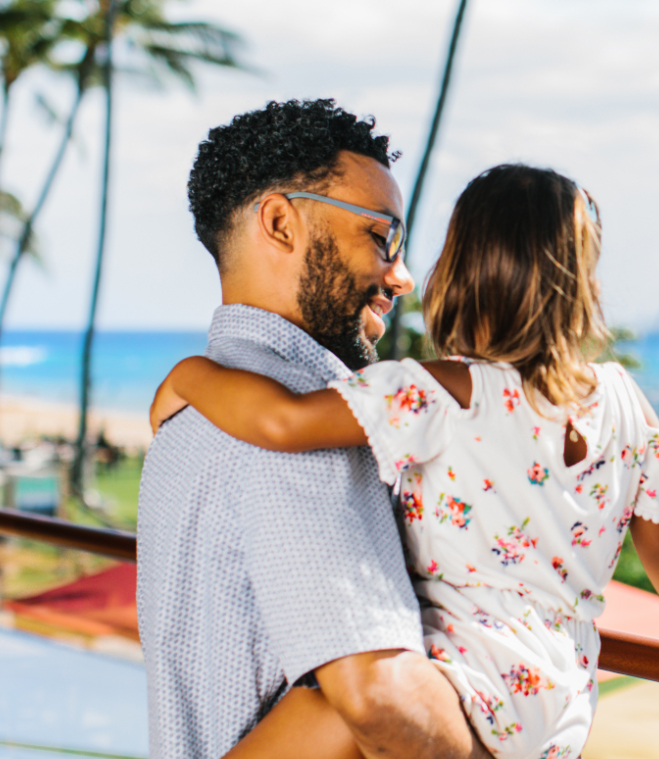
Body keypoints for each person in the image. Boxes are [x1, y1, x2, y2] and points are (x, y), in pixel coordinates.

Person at [150, 165, 659, 759]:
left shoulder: (441, 392)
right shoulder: (625, 401)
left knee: (330, 698)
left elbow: (282, 421)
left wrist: (190, 376)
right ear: (583, 282)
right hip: (562, 702)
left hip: (463, 681)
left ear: (459, 274)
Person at [138, 100, 488, 759]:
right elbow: (380, 696)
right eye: (381, 238)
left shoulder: (194, 412)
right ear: (280, 221)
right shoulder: (310, 427)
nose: (403, 277)